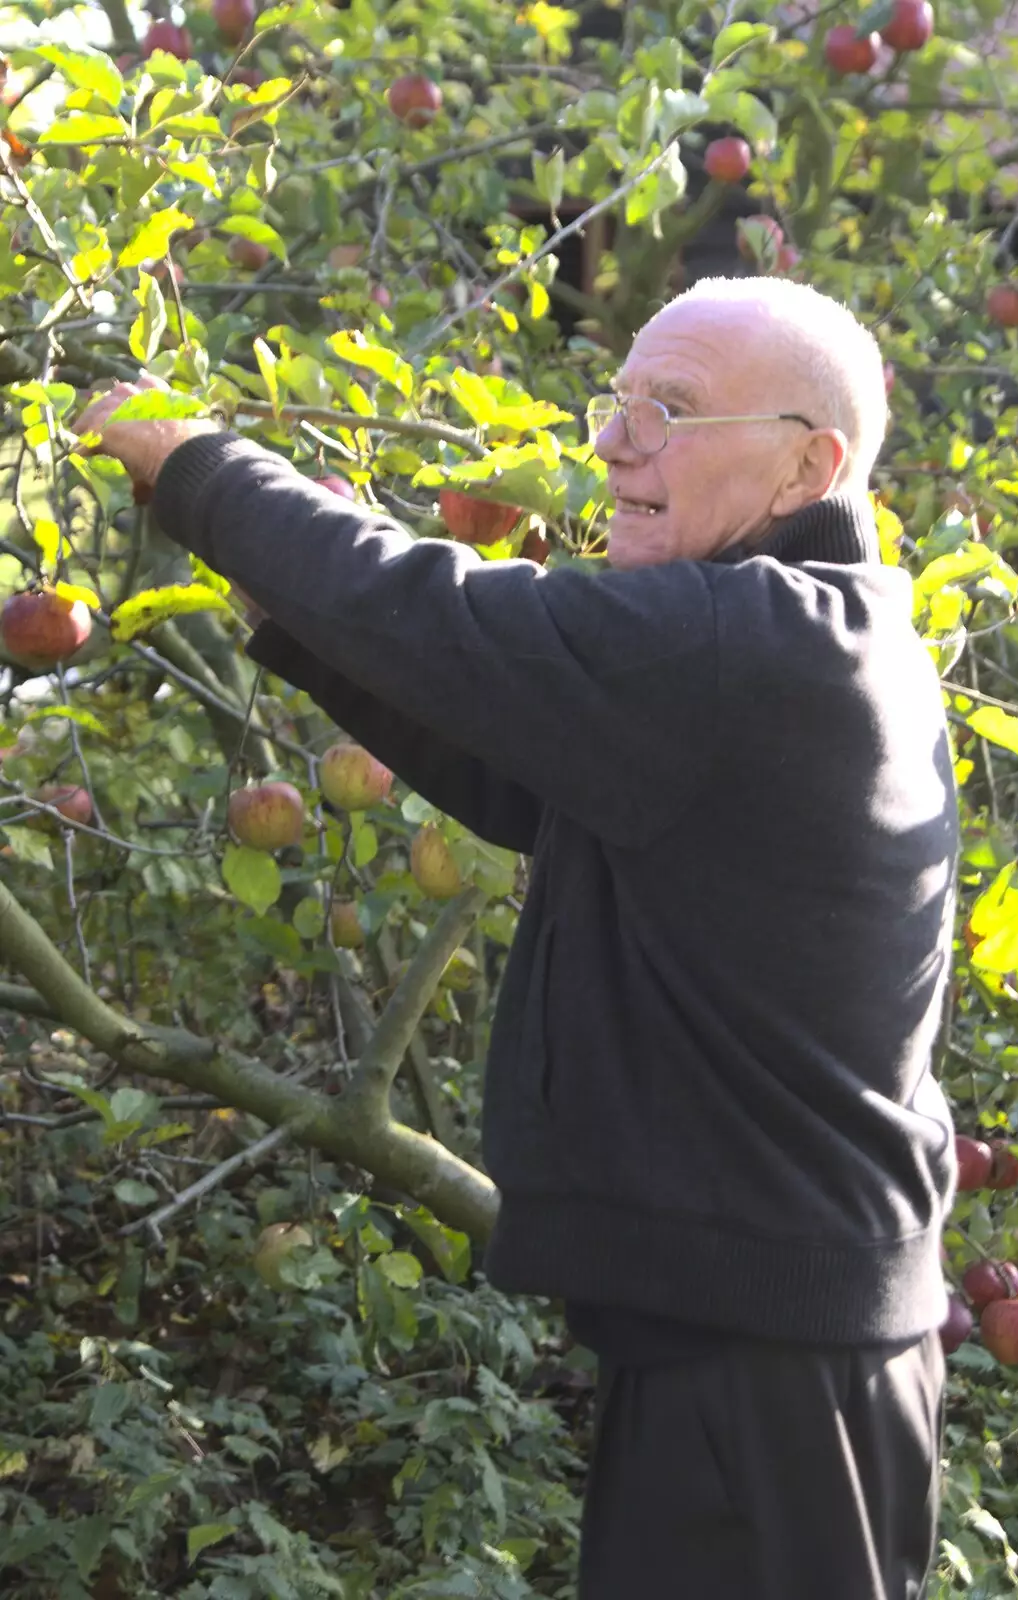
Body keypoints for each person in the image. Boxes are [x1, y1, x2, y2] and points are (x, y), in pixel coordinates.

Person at [73, 274, 958, 1600]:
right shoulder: (795, 640)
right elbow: (511, 773)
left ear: (806, 464)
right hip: (762, 1334)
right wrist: (271, 585)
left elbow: (449, 617)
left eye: (671, 410)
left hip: (768, 1362)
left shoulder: (750, 640)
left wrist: (204, 469)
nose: (613, 442)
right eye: (618, 403)